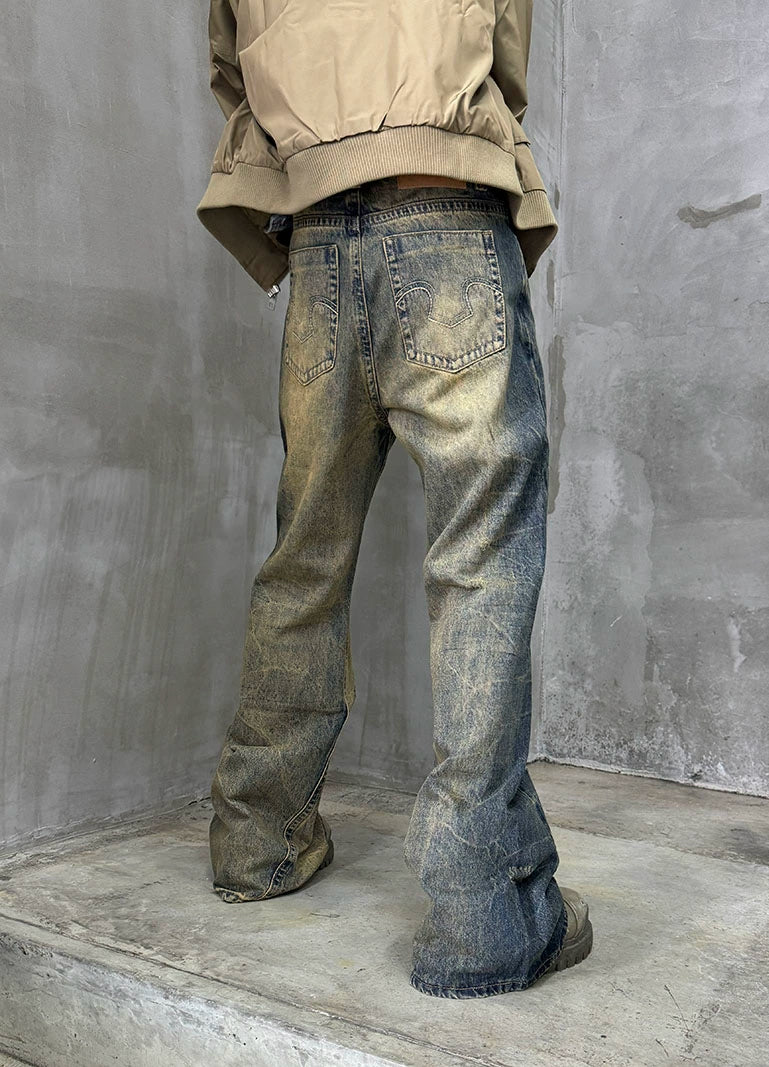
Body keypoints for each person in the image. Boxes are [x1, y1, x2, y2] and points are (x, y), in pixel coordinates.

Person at [196, 0, 593, 999]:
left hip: (320, 237)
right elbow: (502, 39)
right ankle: (482, 917)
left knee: (305, 553)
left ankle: (257, 841)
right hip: (445, 208)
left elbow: (230, 56)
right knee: (481, 561)